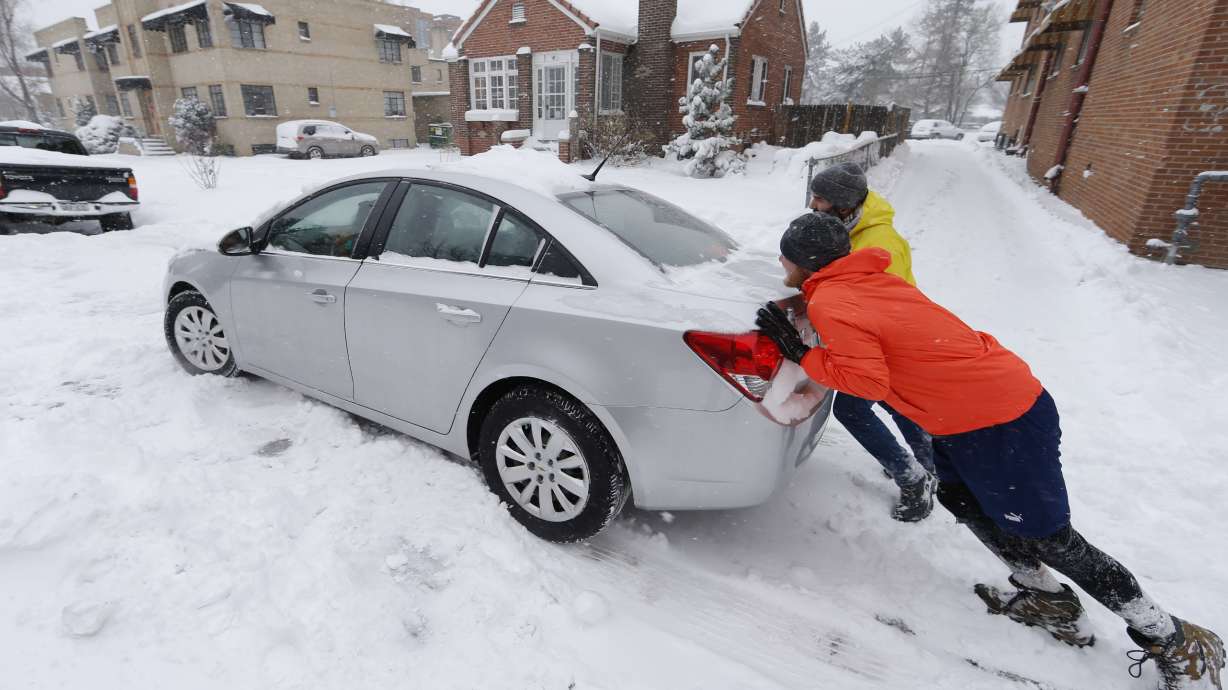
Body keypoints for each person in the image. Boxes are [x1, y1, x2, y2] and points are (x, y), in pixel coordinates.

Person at [755, 212, 1224, 689]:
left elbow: (866, 381)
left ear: (805, 263)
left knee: (1050, 537)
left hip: (1003, 420)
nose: (780, 262)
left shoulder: (835, 299)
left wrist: (800, 352)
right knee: (960, 499)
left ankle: (1172, 637)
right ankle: (1047, 598)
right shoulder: (868, 280)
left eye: (785, 255)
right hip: (966, 416)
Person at [807, 162, 935, 522]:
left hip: (892, 341)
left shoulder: (877, 242)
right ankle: (929, 466)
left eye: (819, 198)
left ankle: (913, 479)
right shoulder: (854, 228)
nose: (813, 204)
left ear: (843, 204)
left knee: (853, 409)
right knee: (899, 403)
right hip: (897, 340)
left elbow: (880, 306)